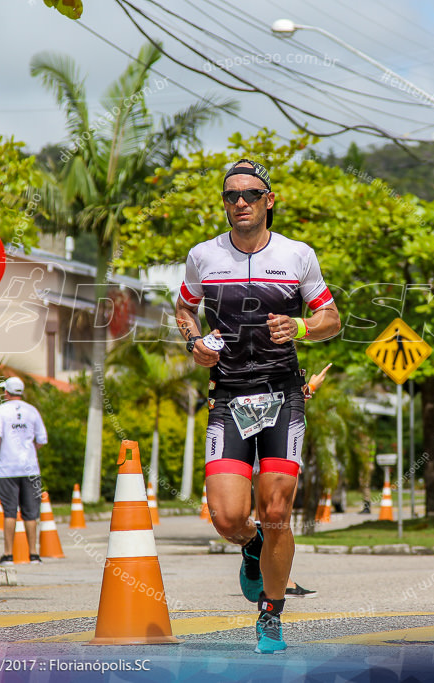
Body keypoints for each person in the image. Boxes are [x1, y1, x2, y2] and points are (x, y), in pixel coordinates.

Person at [176, 158, 340, 654]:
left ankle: (271, 614)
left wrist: (303, 328)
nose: (240, 202)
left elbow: (331, 317)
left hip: (283, 395)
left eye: (250, 194)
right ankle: (250, 547)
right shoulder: (204, 256)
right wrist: (193, 343)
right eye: (231, 196)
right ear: (224, 204)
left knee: (275, 511)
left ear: (269, 201)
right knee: (228, 518)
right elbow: (185, 307)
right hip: (228, 395)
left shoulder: (297, 255)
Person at [0, 376, 47, 566]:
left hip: (7, 468)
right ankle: (33, 555)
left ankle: (8, 555)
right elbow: (42, 439)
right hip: (30, 467)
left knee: (9, 512)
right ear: (21, 392)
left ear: (6, 392)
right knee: (31, 513)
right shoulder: (33, 411)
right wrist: (28, 451)